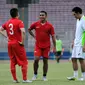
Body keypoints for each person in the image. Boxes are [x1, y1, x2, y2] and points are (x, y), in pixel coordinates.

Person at [0, 8, 32, 83]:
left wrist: (7, 37)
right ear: (17, 14)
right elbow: (23, 32)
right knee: (24, 61)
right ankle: (25, 79)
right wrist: (22, 42)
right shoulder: (19, 22)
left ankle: (14, 79)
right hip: (17, 44)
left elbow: (0, 29)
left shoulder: (7, 22)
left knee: (12, 61)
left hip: (10, 44)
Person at [28, 11, 56, 81]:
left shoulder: (50, 26)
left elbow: (53, 37)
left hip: (46, 46)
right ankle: (35, 74)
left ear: (46, 16)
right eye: (40, 15)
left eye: (43, 15)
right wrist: (34, 36)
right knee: (36, 59)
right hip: (38, 46)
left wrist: (54, 47)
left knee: (45, 61)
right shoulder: (35, 24)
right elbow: (29, 29)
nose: (41, 16)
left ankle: (44, 76)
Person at [67, 7, 85, 81]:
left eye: (74, 14)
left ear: (78, 13)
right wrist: (74, 41)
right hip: (76, 43)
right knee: (73, 59)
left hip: (81, 44)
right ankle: (75, 76)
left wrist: (84, 45)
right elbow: (78, 32)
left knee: (81, 60)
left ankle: (84, 77)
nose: (74, 16)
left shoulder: (84, 20)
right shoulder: (78, 20)